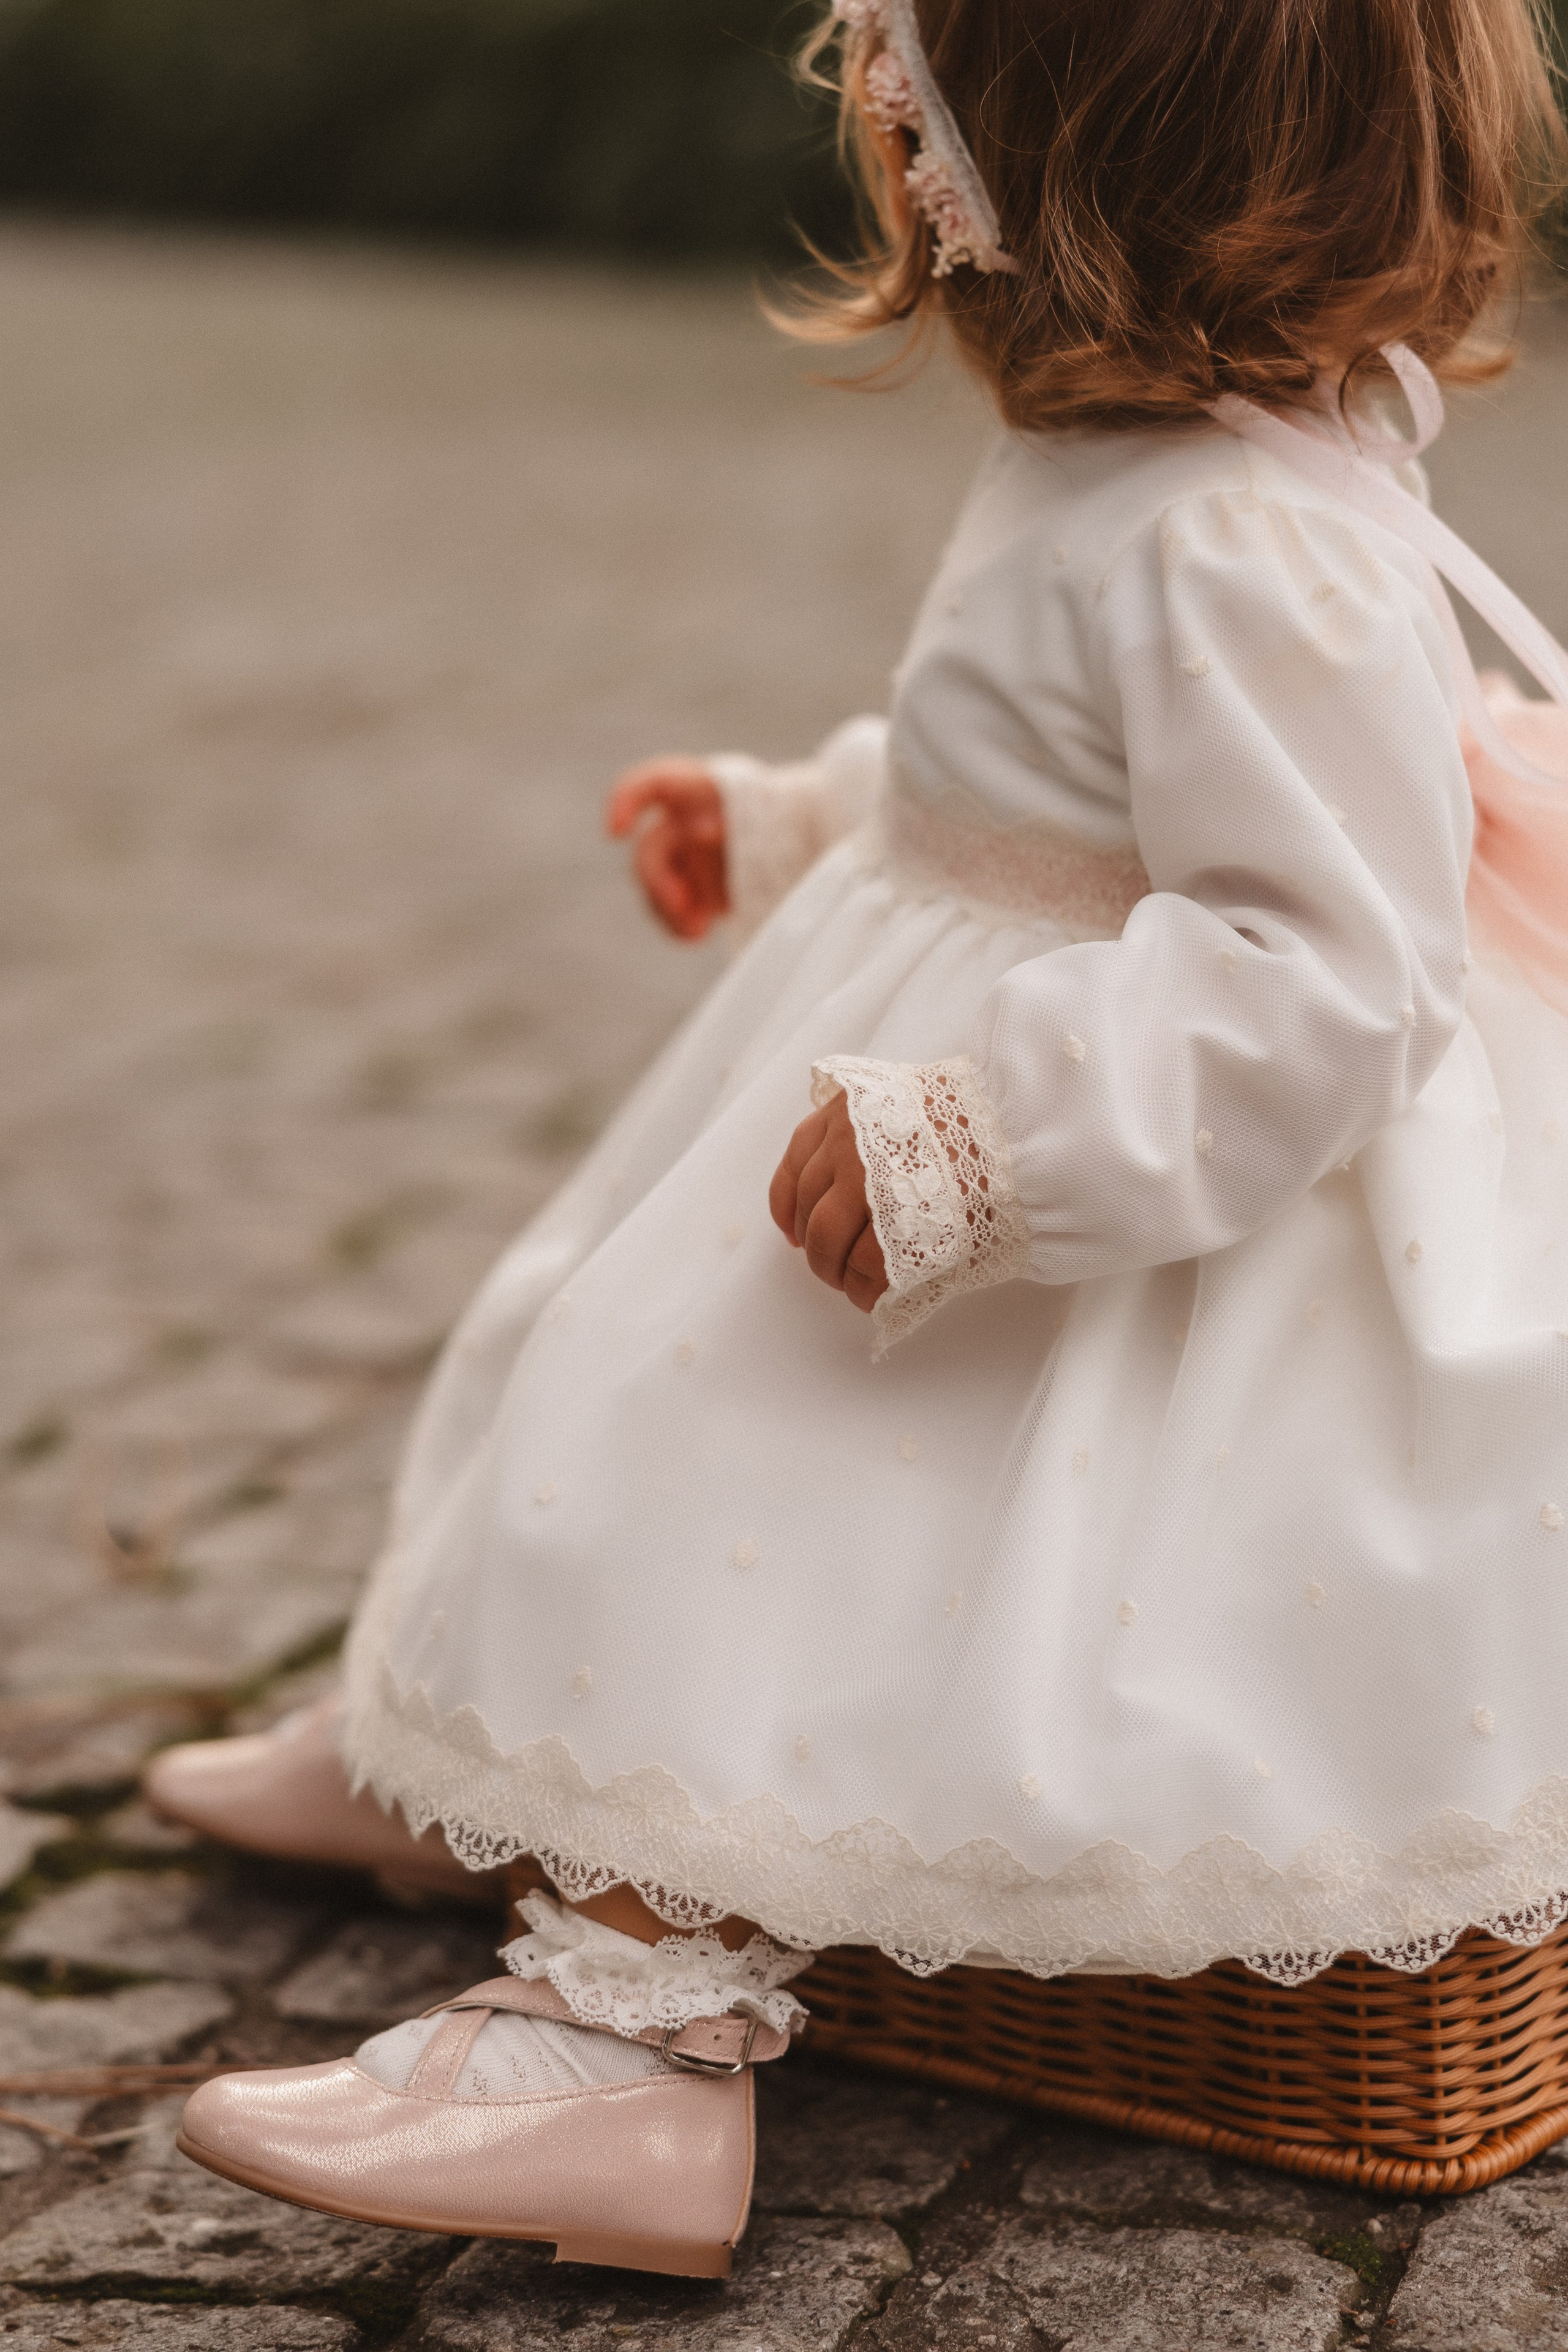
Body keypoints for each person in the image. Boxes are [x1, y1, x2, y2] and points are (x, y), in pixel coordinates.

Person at [148, 0, 1568, 2279]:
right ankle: (486, 1759)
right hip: (993, 1071)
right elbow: (1027, 791)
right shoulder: (1134, 473)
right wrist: (804, 817)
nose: (889, 149)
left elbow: (1328, 971)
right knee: (578, 1327)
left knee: (736, 1444)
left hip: (1145, 1193)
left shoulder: (1249, 539)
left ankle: (630, 2044)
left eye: (912, 110)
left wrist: (1000, 1138)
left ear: (1054, 179)